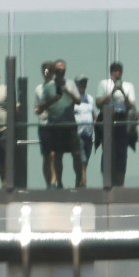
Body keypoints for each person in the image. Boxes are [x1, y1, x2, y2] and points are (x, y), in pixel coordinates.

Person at [37, 59, 80, 189]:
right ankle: (59, 182)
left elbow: (78, 101)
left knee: (76, 153)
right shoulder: (48, 86)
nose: (61, 72)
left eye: (63, 69)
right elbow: (40, 108)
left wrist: (67, 91)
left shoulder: (71, 83)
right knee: (57, 155)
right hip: (55, 125)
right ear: (55, 71)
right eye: (58, 70)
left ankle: (79, 182)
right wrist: (52, 99)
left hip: (70, 124)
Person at [95, 62, 137, 187]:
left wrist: (122, 92)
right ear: (110, 72)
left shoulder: (128, 85)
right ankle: (107, 182)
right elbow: (98, 103)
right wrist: (112, 92)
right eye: (114, 70)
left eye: (119, 70)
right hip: (108, 118)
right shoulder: (103, 84)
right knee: (107, 149)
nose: (116, 73)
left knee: (121, 152)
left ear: (122, 72)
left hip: (122, 118)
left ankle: (119, 183)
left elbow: (132, 105)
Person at [34, 61, 55, 187]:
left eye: (49, 70)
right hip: (43, 124)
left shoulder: (58, 86)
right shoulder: (38, 89)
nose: (46, 73)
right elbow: (36, 109)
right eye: (44, 70)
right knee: (46, 156)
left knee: (55, 155)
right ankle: (48, 183)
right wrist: (41, 108)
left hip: (56, 124)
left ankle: (55, 181)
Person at [74, 76, 95, 187]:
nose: (83, 85)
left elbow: (93, 115)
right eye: (81, 83)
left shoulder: (90, 99)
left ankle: (79, 182)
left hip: (89, 134)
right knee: (82, 160)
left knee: (85, 161)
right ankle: (83, 184)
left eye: (85, 83)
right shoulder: (73, 100)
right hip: (78, 134)